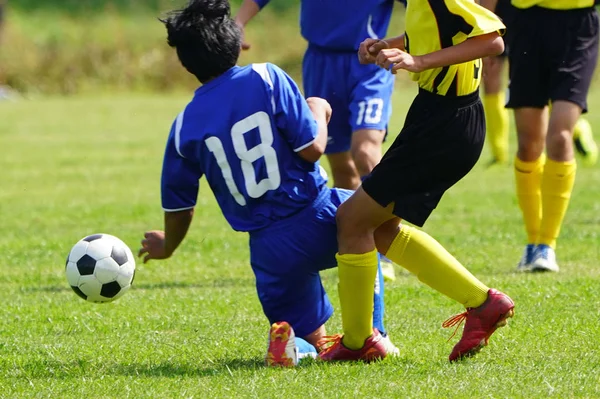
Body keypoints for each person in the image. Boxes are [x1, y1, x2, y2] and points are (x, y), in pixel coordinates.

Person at [138, 0, 397, 367]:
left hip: (268, 250)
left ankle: (292, 345)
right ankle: (374, 333)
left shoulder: (184, 125)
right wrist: (318, 110)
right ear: (233, 42)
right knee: (374, 223)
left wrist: (168, 245)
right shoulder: (266, 77)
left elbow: (180, 206)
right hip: (316, 212)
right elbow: (312, 149)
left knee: (314, 341)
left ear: (186, 63)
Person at [316, 0, 515, 363]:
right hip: (437, 117)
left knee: (352, 220)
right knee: (378, 228)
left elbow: (492, 41)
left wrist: (418, 62)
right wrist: (391, 44)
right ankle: (482, 304)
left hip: (446, 125)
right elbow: (438, 32)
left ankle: (361, 342)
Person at [234, 0, 408, 282]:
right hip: (321, 62)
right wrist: (239, 22)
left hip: (368, 62)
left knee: (365, 152)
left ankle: (388, 243)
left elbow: (428, 8)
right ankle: (359, 247)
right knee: (342, 166)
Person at [506, 0, 599, 272]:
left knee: (559, 136)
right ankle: (532, 242)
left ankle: (547, 244)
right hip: (526, 25)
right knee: (528, 146)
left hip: (578, 27)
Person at [479, 0, 598, 168]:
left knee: (558, 124)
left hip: (572, 20)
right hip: (518, 16)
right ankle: (499, 152)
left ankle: (576, 128)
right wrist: (483, 29)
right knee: (491, 77)